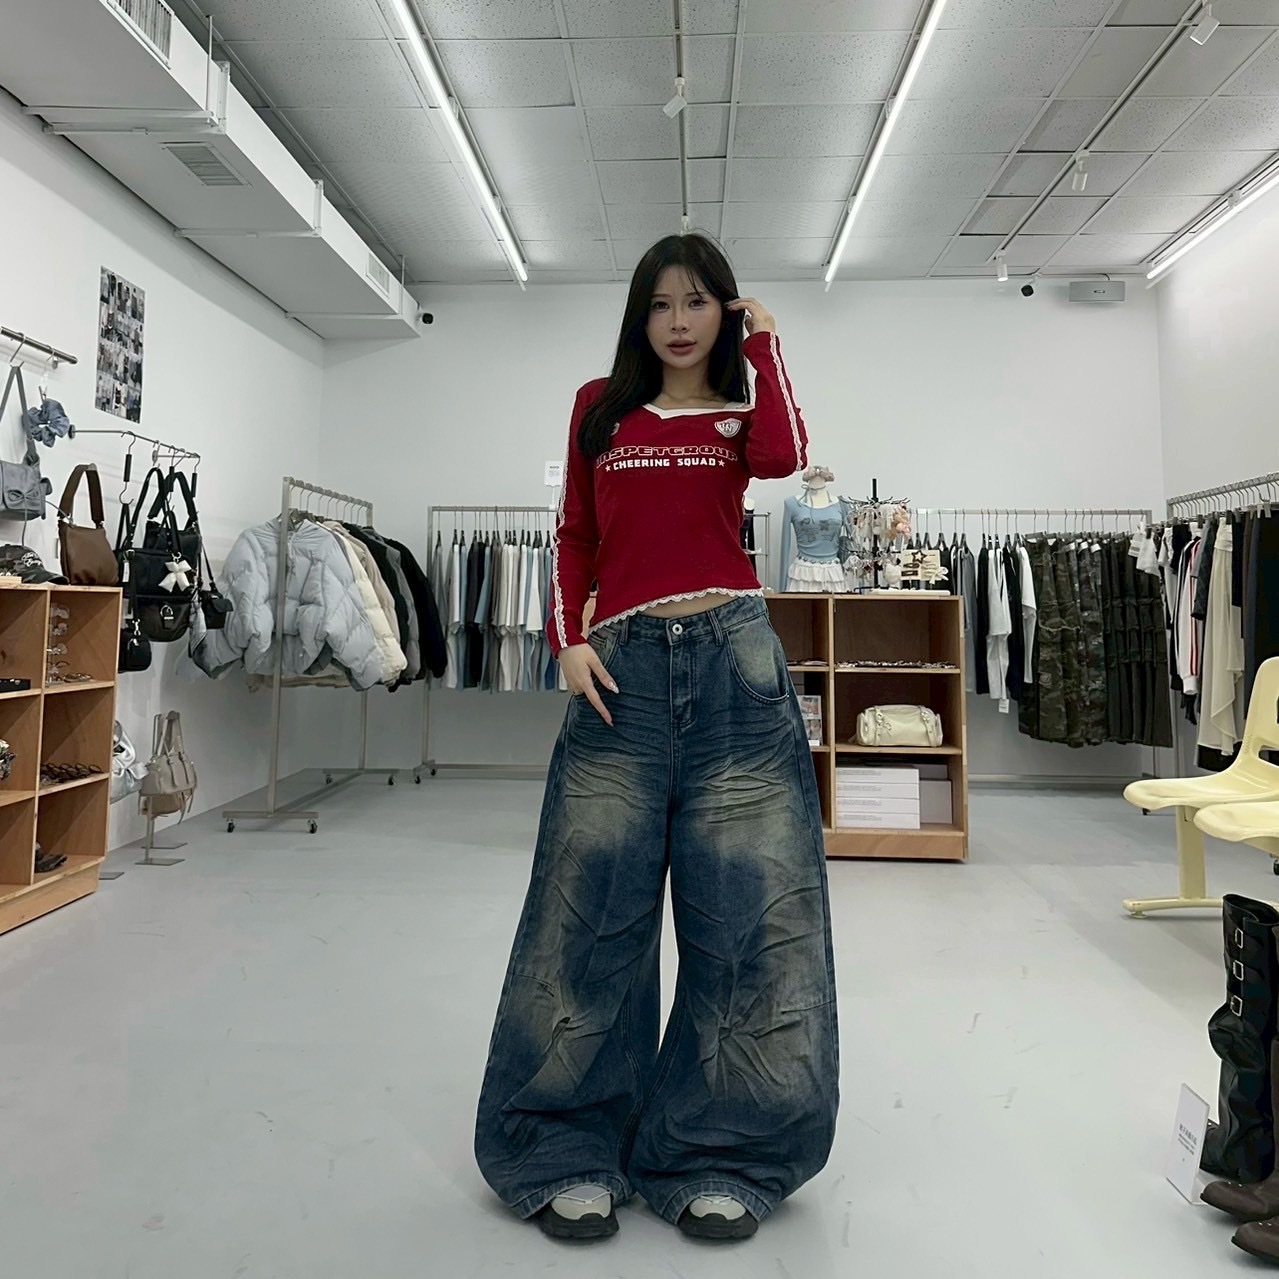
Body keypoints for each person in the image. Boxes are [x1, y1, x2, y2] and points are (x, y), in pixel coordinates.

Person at [474, 233, 839, 1244]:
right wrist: (566, 639)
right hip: (621, 670)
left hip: (734, 664)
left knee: (749, 916)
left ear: (725, 309)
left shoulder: (740, 411)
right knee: (590, 913)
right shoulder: (600, 406)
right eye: (659, 304)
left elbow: (783, 458)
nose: (678, 321)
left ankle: (725, 1149)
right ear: (639, 317)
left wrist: (765, 347)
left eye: (698, 302)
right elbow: (575, 534)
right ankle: (565, 1142)